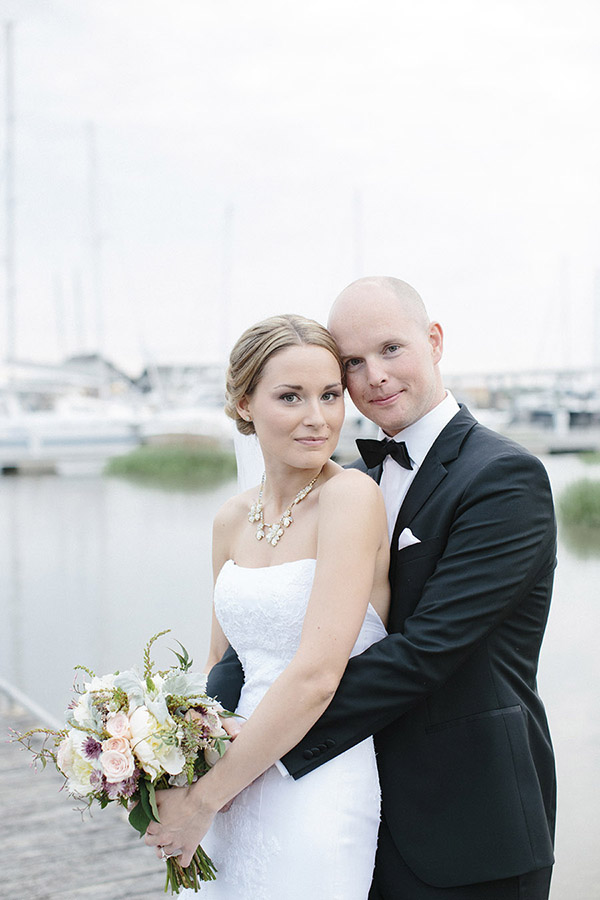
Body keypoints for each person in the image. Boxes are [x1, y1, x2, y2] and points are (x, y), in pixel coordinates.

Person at [207, 277, 557, 900]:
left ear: (434, 340)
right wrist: (195, 736)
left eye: (391, 349)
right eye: (353, 363)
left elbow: (425, 651)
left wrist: (256, 748)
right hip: (352, 801)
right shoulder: (348, 482)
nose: (374, 377)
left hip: (467, 816)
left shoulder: (504, 478)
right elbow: (261, 634)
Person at [145, 313, 390, 898]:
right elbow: (217, 661)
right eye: (291, 397)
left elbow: (316, 676)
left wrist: (203, 799)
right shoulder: (231, 518)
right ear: (245, 404)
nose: (318, 417)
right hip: (230, 764)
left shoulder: (351, 497)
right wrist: (178, 759)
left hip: (318, 770)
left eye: (331, 395)